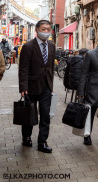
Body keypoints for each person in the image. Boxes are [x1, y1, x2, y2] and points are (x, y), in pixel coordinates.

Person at [18, 20, 55, 153]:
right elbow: (23, 69)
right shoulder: (28, 46)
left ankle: (42, 142)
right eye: (43, 29)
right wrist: (23, 87)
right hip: (31, 86)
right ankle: (26, 137)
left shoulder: (51, 46)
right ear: (37, 30)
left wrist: (51, 85)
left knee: (45, 115)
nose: (46, 32)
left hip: (46, 87)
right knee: (30, 114)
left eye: (48, 29)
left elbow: (50, 66)